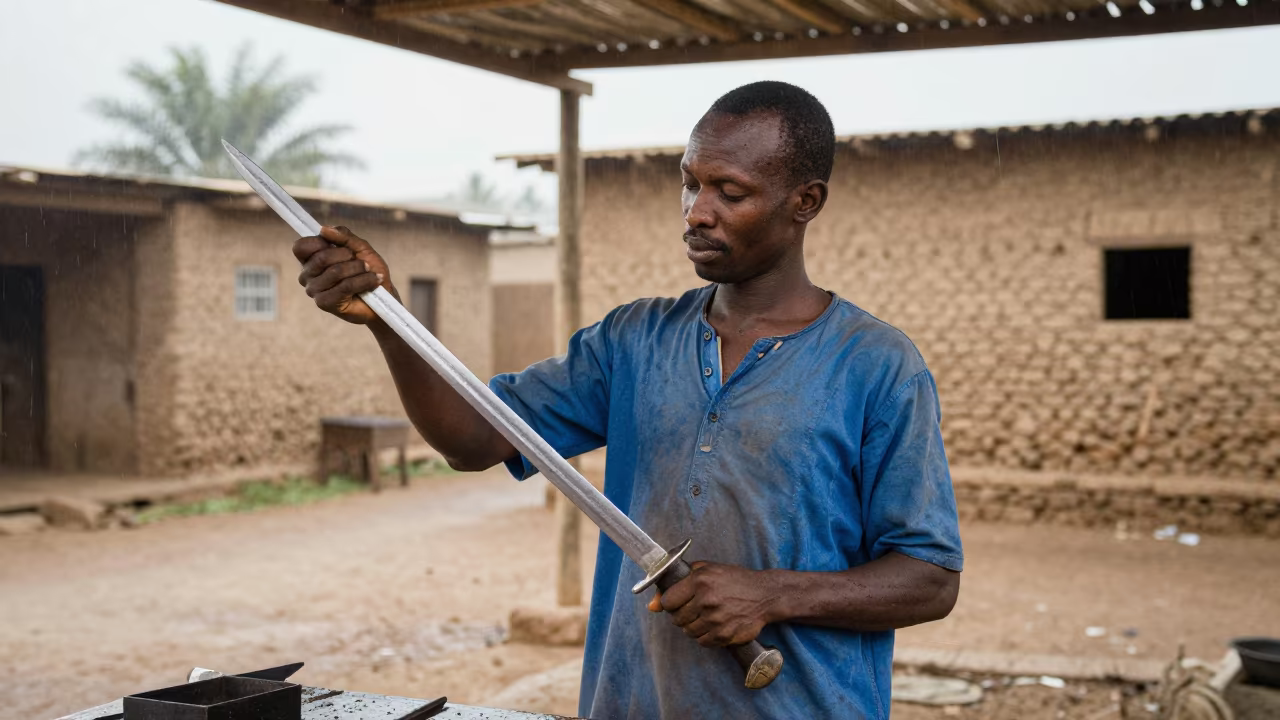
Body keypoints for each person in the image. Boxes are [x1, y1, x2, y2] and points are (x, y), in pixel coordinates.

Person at [293, 81, 962, 720]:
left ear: (805, 201)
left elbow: (930, 577)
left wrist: (771, 594)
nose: (697, 211)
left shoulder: (877, 366)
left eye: (729, 192)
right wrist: (390, 321)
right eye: (690, 182)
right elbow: (472, 440)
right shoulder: (632, 342)